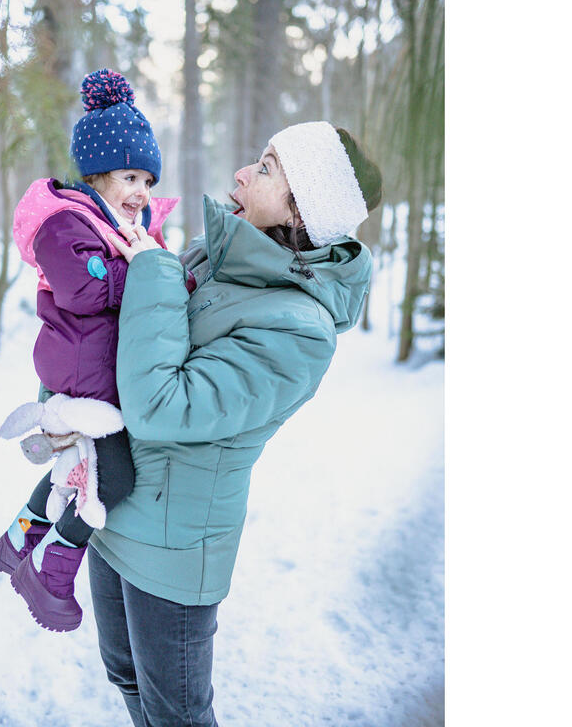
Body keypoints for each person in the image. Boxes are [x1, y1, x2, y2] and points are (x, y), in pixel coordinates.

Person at [84, 120, 382, 727]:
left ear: (301, 214)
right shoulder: (207, 254)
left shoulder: (300, 328)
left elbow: (161, 405)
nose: (242, 173)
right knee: (123, 676)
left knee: (177, 715)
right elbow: (117, 345)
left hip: (172, 544)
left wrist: (153, 269)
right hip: (110, 503)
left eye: (268, 168)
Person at [0, 69, 185, 633]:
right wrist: (142, 269)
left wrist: (159, 271)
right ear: (96, 174)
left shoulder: (117, 226)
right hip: (82, 374)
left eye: (148, 178)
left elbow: (156, 285)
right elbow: (83, 289)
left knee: (74, 467)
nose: (143, 191)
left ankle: (16, 541)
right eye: (130, 176)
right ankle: (51, 572)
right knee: (113, 479)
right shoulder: (66, 223)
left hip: (93, 369)